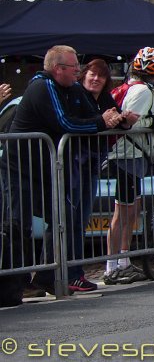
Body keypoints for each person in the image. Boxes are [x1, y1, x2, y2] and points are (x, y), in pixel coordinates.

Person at [1, 45, 123, 304]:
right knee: (17, 225)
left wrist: (115, 119)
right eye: (74, 68)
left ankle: (46, 276)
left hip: (44, 169)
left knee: (64, 218)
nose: (78, 72)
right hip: (19, 168)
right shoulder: (42, 86)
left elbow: (89, 113)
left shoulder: (69, 89)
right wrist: (101, 122)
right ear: (58, 69)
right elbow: (64, 122)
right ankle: (16, 284)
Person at [104, 47, 154, 286]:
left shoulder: (135, 88)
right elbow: (128, 121)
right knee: (122, 212)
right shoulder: (142, 90)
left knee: (129, 210)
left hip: (131, 154)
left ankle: (122, 261)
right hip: (128, 154)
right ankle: (113, 265)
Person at [67, 59, 128, 292]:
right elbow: (75, 123)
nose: (96, 79)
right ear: (83, 75)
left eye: (101, 77)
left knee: (80, 220)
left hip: (91, 165)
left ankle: (74, 273)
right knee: (69, 222)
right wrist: (102, 121)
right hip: (73, 164)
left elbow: (117, 118)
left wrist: (123, 121)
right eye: (92, 75)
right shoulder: (76, 94)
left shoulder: (103, 98)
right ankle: (66, 274)